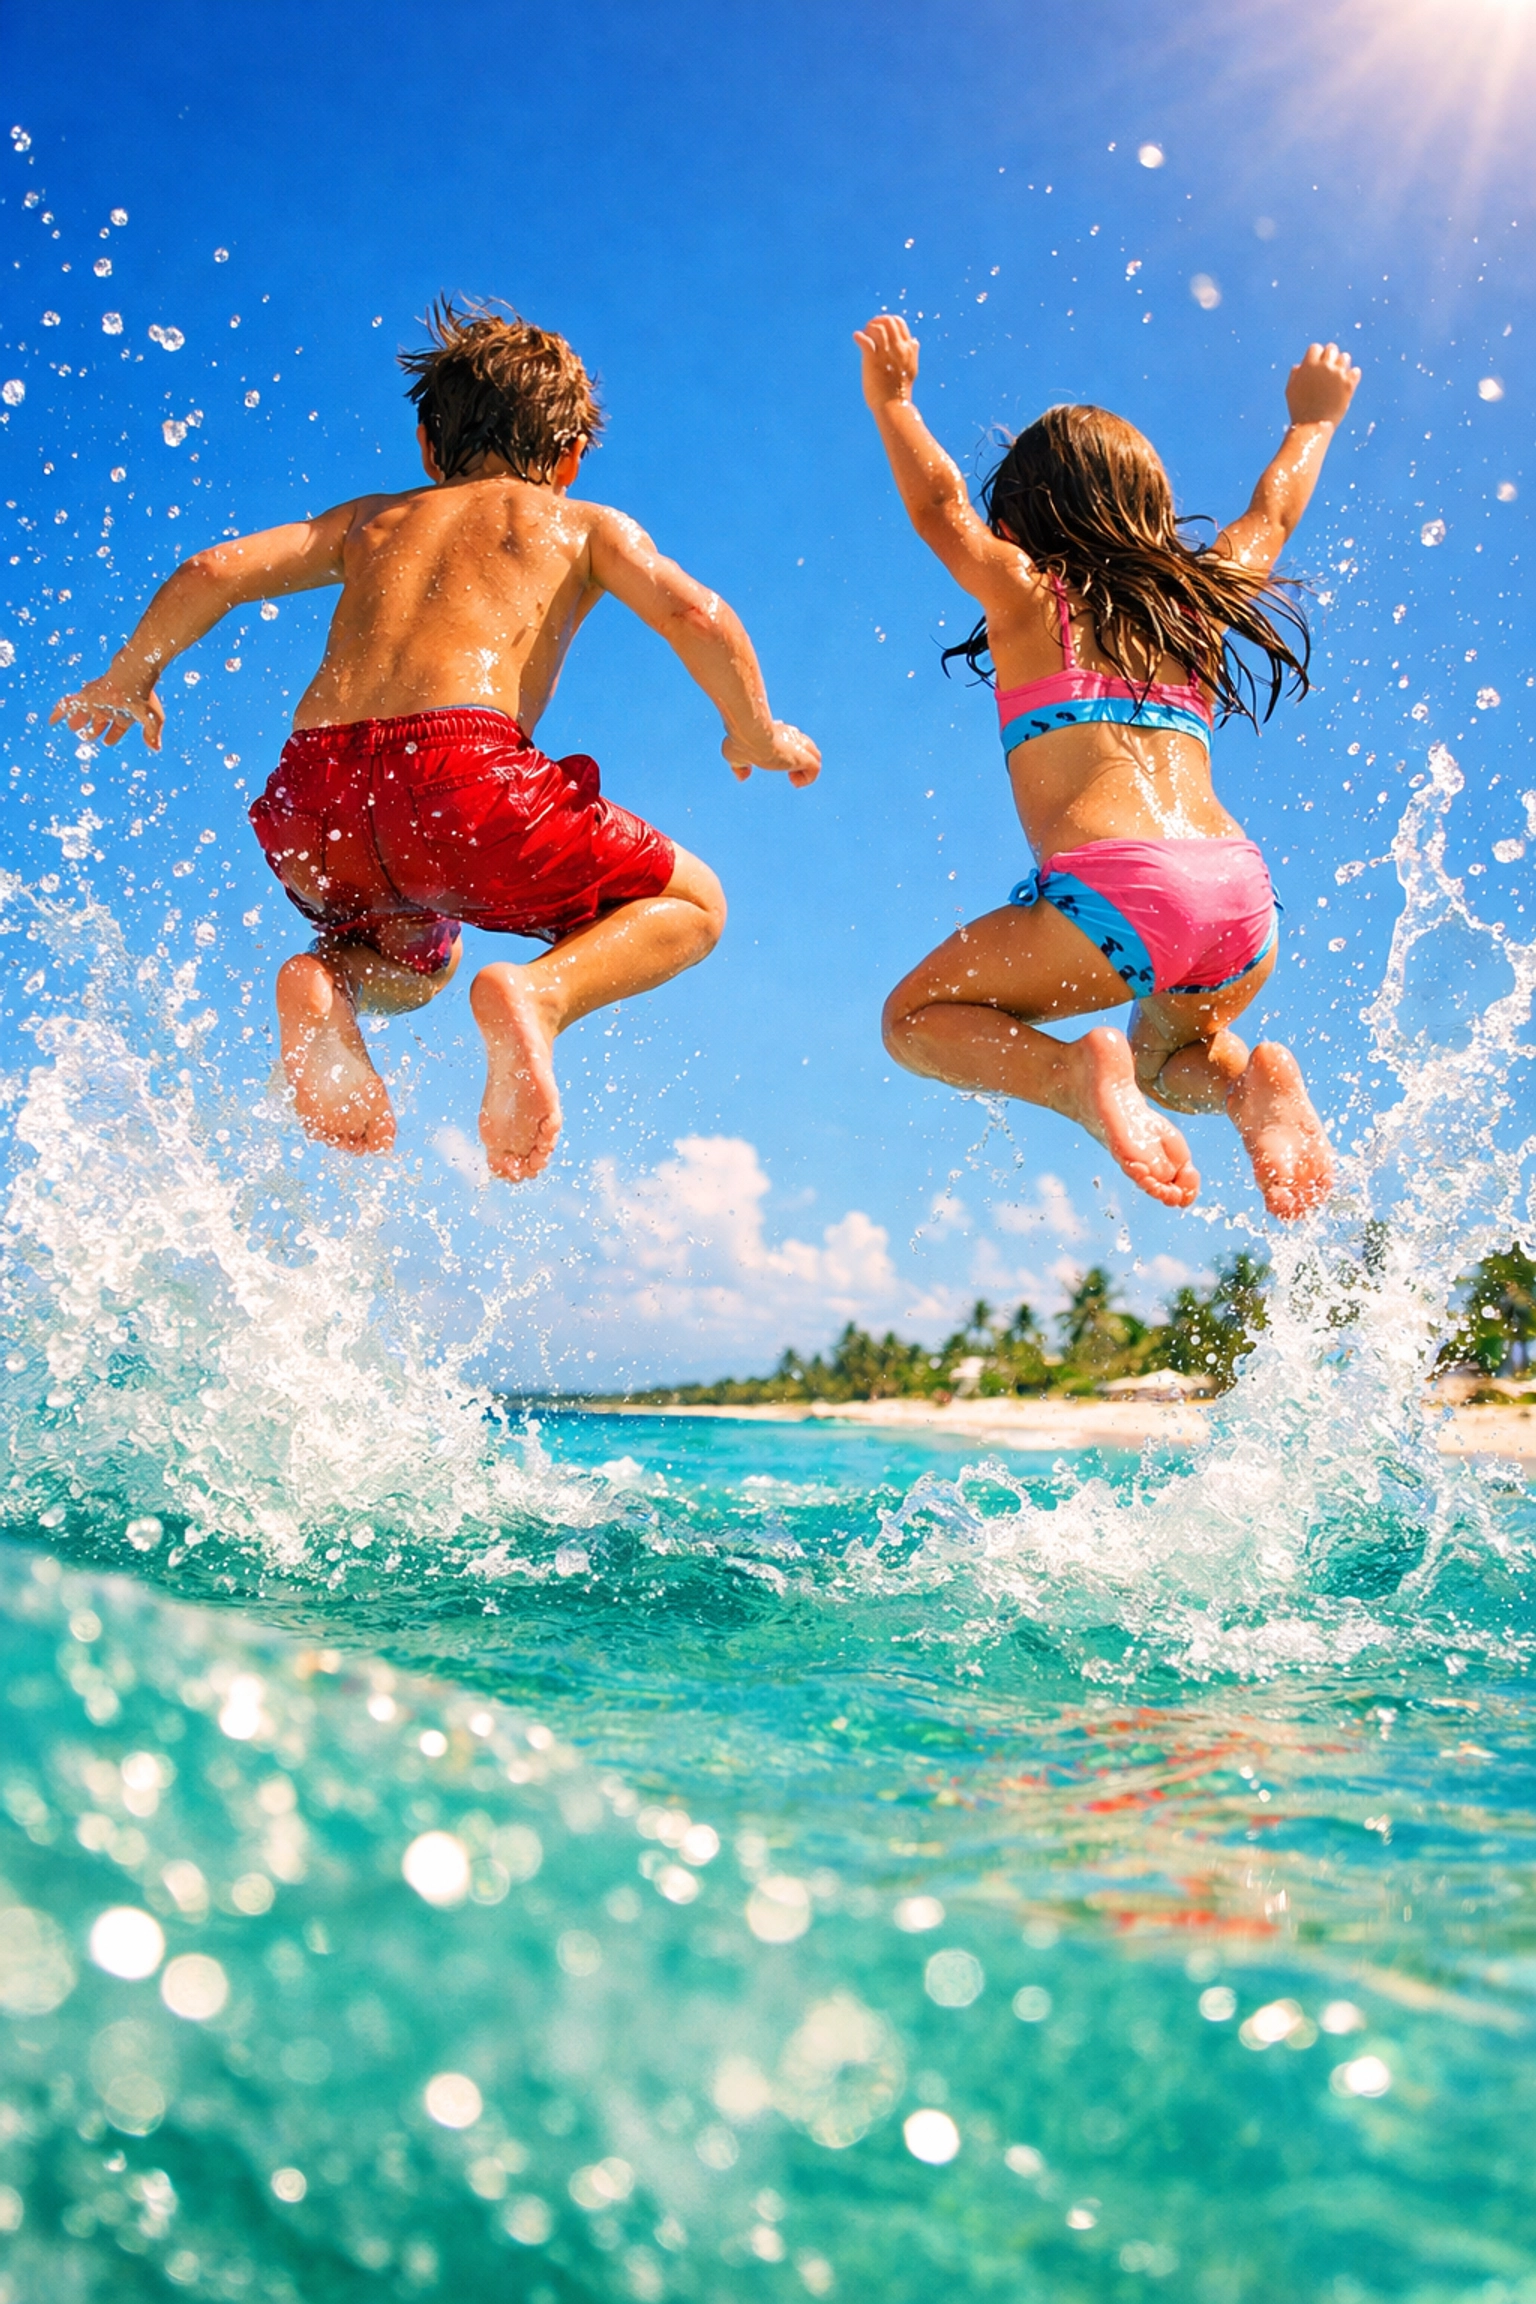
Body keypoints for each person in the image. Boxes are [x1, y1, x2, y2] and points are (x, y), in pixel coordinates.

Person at [54, 299, 819, 1180]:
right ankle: (540, 997)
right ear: (570, 459)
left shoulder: (368, 521)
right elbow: (695, 611)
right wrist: (755, 731)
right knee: (699, 903)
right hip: (466, 778)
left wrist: (129, 677)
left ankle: (326, 985)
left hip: (313, 798)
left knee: (417, 961)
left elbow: (212, 570)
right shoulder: (581, 524)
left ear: (426, 444)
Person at [856, 312, 1358, 1220]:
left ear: (1017, 522)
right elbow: (1271, 513)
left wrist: (894, 402)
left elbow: (938, 510)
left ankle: (1072, 1081)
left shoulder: (1025, 596)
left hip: (1122, 891)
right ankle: (1253, 1089)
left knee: (913, 1022)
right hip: (1243, 907)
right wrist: (1312, 423)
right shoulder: (1199, 604)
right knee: (1170, 1065)